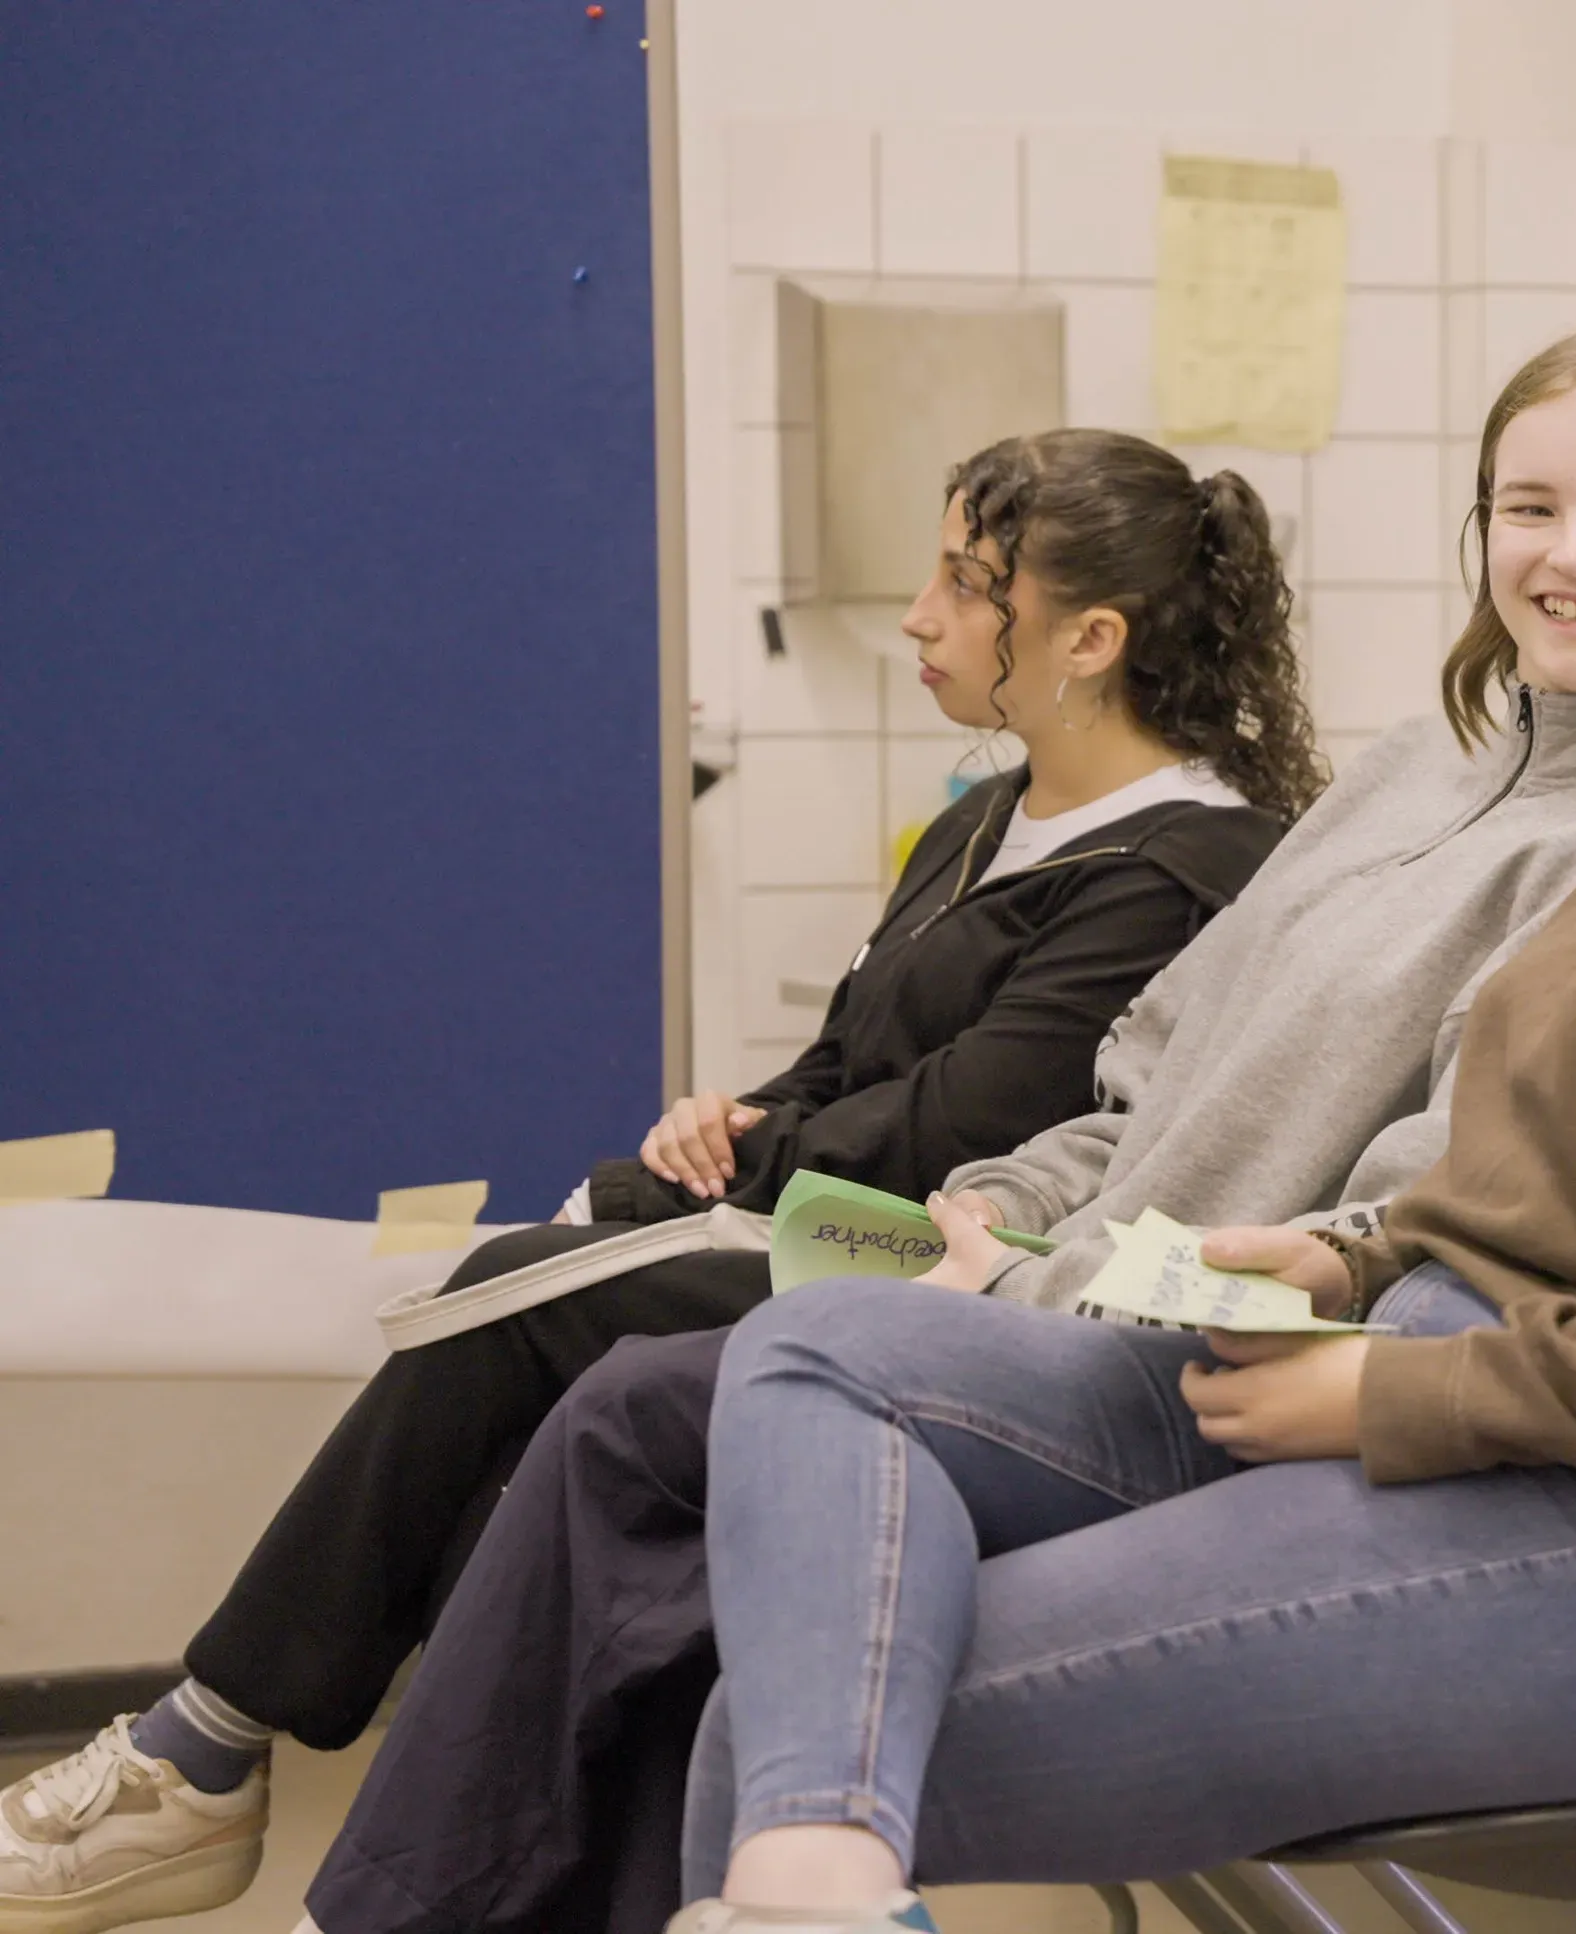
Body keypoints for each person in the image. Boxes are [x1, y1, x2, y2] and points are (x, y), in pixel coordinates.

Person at [665, 308, 1576, 1933]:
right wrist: (1352, 1269)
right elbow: (1560, 1181)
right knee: (818, 1352)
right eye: (1558, 513)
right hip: (1443, 1388)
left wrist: (1398, 1388)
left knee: (776, 1748)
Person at [291, 323, 1576, 1934]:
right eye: (1530, 508)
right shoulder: (1414, 767)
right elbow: (1146, 1073)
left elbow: (1404, 1227)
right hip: (1055, 1291)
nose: (1572, 555)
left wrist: (1016, 1277)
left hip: (1210, 1363)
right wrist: (997, 1206)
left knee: (691, 1452)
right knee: (643, 1454)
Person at [0, 427, 1316, 1933]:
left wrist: (712, 1168)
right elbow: (845, 1070)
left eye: (969, 584)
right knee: (538, 1409)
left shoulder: (1185, 867)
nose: (920, 615)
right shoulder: (982, 819)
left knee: (513, 1294)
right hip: (822, 1223)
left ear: (1091, 640)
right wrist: (731, 1118)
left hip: (955, 1274)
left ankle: (200, 1752)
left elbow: (955, 1132)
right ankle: (364, 1830)